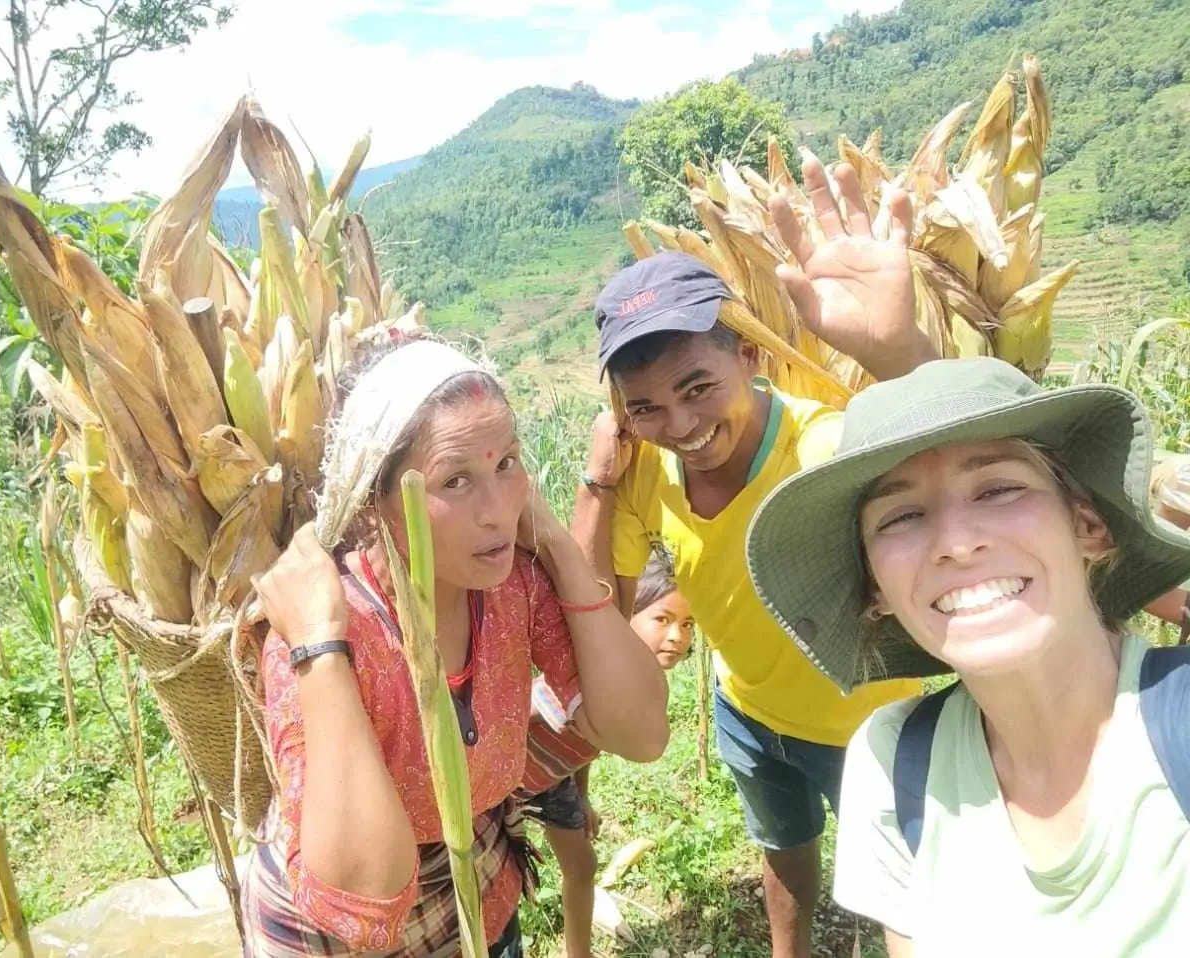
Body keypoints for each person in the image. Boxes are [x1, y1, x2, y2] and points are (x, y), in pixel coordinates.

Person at [575, 155, 933, 958]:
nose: (680, 424)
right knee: (785, 856)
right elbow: (592, 604)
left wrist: (901, 347)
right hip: (748, 711)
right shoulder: (639, 471)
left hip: (870, 725)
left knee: (903, 888)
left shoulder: (825, 450)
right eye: (647, 407)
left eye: (696, 387)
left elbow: (964, 467)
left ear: (749, 355)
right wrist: (598, 484)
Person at [745, 356, 1190, 956]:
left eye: (1000, 489)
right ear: (876, 589)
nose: (956, 544)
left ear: (1088, 525)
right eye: (902, 516)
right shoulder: (896, 759)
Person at [241, 335, 670, 958]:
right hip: (333, 936)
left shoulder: (511, 584)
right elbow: (365, 900)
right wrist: (317, 648)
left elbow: (642, 732)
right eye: (456, 480)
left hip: (476, 886)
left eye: (508, 464)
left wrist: (556, 544)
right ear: (373, 500)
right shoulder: (325, 628)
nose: (498, 511)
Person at [516, 550, 694, 958]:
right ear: (624, 619)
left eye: (687, 625)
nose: (677, 637)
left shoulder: (638, 697)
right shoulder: (589, 677)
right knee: (497, 881)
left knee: (581, 866)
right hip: (500, 784)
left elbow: (589, 746)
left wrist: (582, 795)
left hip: (554, 781)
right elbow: (525, 710)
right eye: (663, 619)